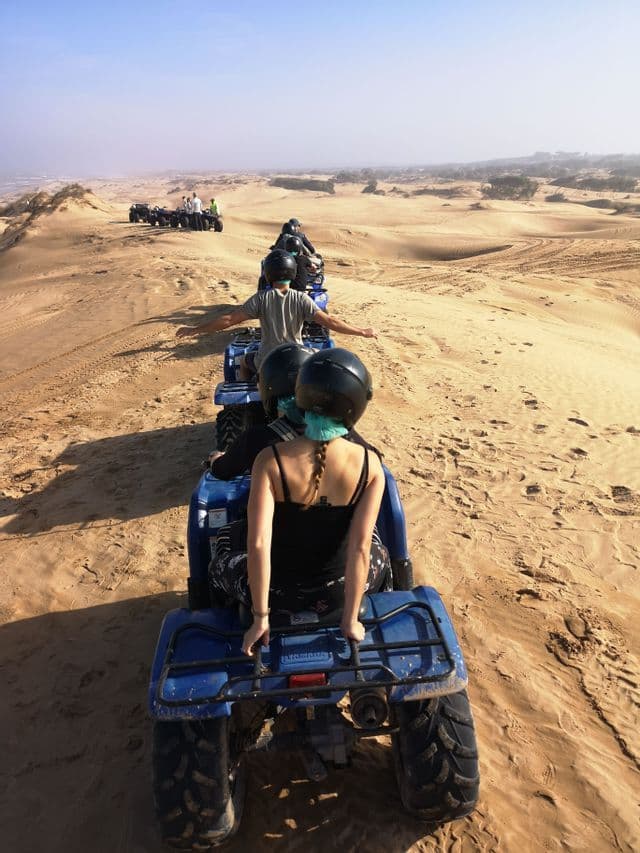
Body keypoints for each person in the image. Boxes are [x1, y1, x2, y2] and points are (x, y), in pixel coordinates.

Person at [208, 348, 390, 652]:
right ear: (356, 406)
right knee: (377, 551)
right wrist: (349, 620)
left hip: (275, 595)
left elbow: (258, 545)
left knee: (218, 565)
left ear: (300, 396)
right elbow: (359, 548)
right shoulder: (371, 465)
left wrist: (260, 617)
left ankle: (225, 629)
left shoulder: (269, 460)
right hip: (339, 594)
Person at [175, 251, 376, 379]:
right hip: (298, 359)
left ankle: (250, 401)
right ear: (293, 273)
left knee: (244, 362)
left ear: (268, 274)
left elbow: (229, 320)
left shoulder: (261, 298)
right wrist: (362, 331)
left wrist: (195, 330)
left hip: (267, 360)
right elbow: (331, 322)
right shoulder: (302, 298)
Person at [210, 343, 380, 479]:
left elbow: (222, 470)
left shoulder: (256, 440)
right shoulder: (346, 436)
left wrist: (216, 459)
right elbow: (375, 459)